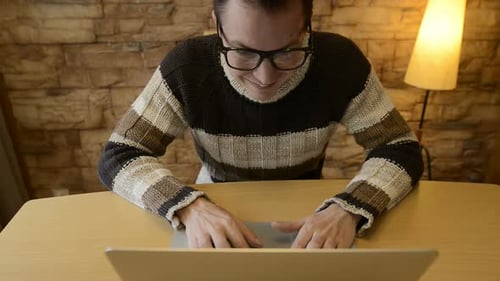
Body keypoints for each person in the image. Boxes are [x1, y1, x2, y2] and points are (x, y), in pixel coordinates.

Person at [98, 0, 423, 249]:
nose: (265, 78)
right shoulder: (186, 68)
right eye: (241, 52)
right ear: (217, 27)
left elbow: (398, 147)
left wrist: (351, 209)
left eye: (287, 52)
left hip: (310, 212)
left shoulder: (340, 62)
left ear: (307, 27)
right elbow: (121, 154)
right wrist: (189, 207)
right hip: (215, 205)